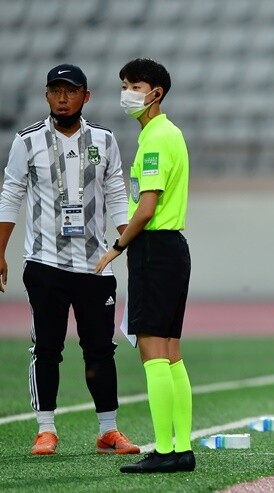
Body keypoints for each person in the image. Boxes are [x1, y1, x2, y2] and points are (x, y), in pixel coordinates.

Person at [0, 64, 140, 456]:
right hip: (44, 262)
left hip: (96, 263)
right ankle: (46, 429)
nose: (63, 98)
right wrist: (0, 252)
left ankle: (108, 430)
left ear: (86, 96)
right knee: (46, 346)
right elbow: (11, 194)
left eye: (71, 90)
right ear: (46, 95)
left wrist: (128, 244)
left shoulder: (104, 140)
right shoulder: (26, 142)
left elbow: (115, 193)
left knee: (100, 348)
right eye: (56, 90)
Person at [95, 58, 194, 473]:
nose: (127, 92)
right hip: (174, 249)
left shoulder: (155, 138)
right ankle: (182, 447)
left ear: (156, 92)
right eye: (124, 84)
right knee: (171, 352)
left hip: (153, 249)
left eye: (134, 85)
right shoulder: (170, 133)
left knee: (153, 352)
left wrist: (116, 247)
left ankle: (167, 452)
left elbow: (147, 207)